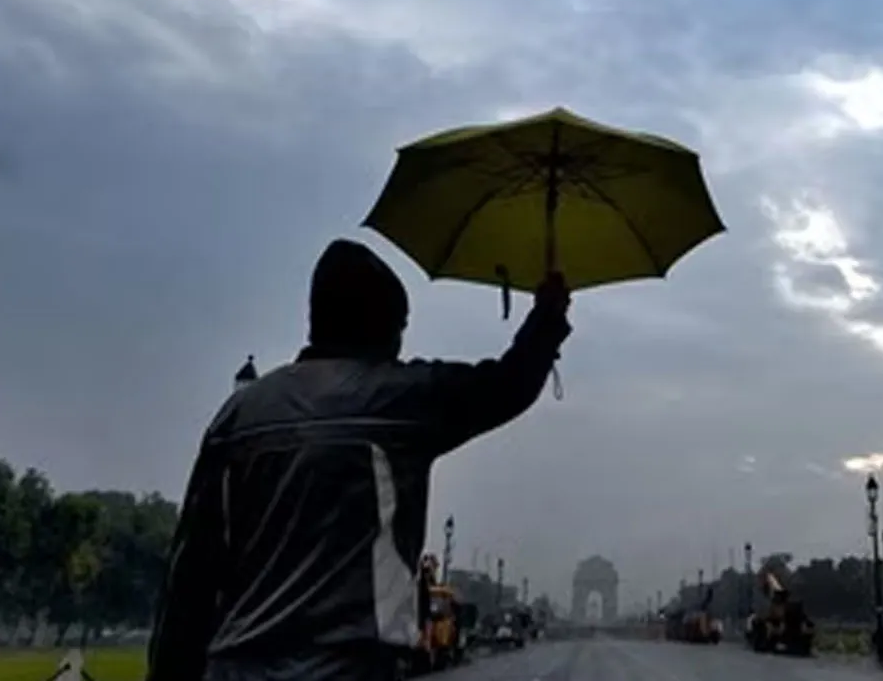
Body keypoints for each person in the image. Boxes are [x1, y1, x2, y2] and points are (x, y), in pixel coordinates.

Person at [145, 239, 572, 681]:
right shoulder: (401, 399)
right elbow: (509, 384)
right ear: (386, 329)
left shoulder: (237, 416)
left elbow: (188, 584)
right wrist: (548, 315)